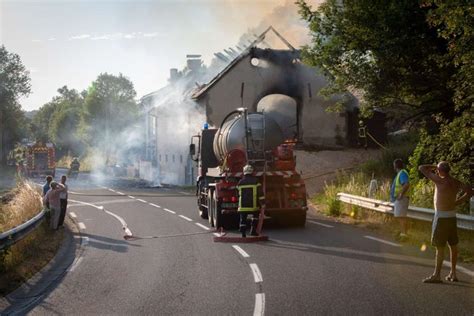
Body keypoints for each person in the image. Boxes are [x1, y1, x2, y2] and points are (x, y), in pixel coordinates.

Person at [419, 161, 472, 283]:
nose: (436, 171)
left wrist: (434, 166)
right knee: (453, 246)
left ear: (440, 170)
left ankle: (437, 275)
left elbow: (421, 167)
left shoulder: (439, 180)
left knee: (440, 247)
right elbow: (469, 191)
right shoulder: (455, 182)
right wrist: (457, 202)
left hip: (441, 217)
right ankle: (453, 273)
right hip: (452, 216)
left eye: (438, 170)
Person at [237, 164, 265, 237]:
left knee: (243, 219)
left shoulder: (240, 182)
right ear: (252, 172)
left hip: (242, 206)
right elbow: (260, 194)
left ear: (244, 172)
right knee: (255, 217)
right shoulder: (256, 181)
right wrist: (263, 203)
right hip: (254, 206)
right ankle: (253, 231)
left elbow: (237, 193)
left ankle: (243, 233)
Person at [390, 159, 410, 237]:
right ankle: (403, 232)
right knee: (399, 216)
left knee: (401, 216)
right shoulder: (401, 173)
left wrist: (401, 194)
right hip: (400, 198)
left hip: (402, 198)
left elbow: (406, 184)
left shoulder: (402, 173)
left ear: (395, 166)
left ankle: (404, 233)